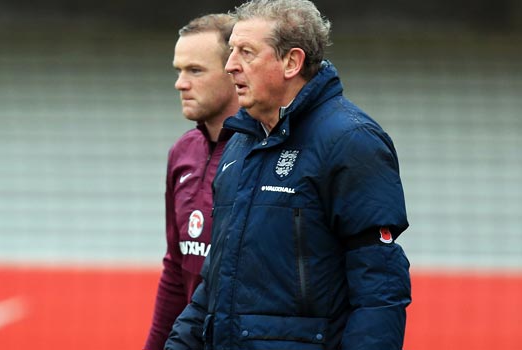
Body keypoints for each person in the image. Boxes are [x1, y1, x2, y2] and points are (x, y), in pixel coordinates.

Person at [165, 0, 411, 349]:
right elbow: (216, 280)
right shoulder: (239, 144)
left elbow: (380, 288)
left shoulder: (351, 141)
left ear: (291, 62)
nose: (231, 65)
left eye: (246, 52)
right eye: (231, 50)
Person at [143, 13, 239, 350]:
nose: (180, 83)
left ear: (235, 72)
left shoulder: (264, 153)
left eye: (195, 71)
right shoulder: (183, 152)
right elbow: (176, 268)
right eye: (179, 71)